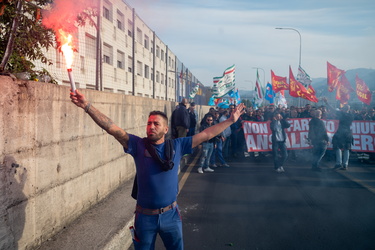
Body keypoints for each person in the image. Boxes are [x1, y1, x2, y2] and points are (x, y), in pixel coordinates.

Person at [70, 89, 244, 249]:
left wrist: (230, 120)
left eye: (156, 124)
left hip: (171, 216)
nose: (151, 126)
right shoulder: (137, 145)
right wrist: (87, 106)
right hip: (144, 218)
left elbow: (207, 134)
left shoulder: (178, 145)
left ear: (166, 129)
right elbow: (112, 128)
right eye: (149, 123)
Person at [323, 97, 354, 170]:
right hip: (348, 133)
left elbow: (332, 109)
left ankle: (338, 163)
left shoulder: (342, 114)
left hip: (340, 132)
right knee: (347, 148)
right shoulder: (351, 116)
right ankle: (345, 164)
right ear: (349, 109)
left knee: (337, 147)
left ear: (344, 109)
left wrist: (326, 103)